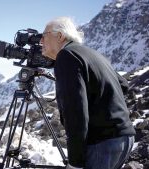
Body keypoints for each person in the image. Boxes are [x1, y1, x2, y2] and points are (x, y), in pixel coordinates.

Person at [40, 17, 136, 169]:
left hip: (102, 143)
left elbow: (75, 112)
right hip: (123, 138)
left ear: (60, 36)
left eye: (43, 35)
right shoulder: (91, 53)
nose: (40, 41)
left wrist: (75, 163)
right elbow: (123, 84)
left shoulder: (67, 56)